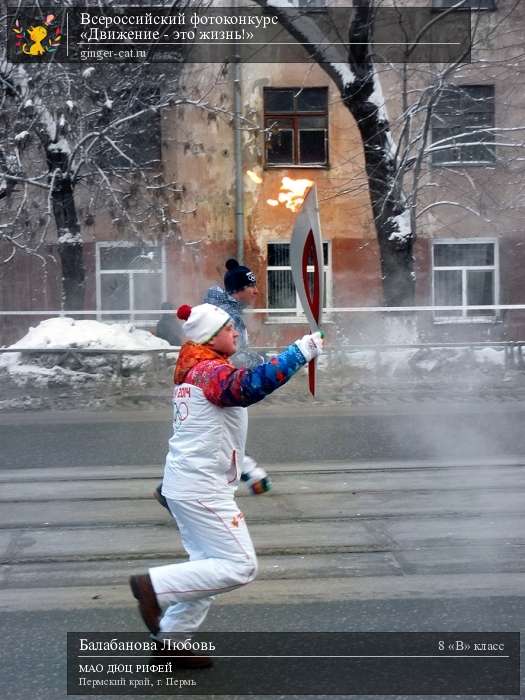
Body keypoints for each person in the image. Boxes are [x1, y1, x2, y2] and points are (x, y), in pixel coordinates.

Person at [130, 302, 323, 668]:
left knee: (206, 569)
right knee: (238, 566)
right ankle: (153, 587)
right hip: (202, 490)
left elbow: (236, 395)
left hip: (187, 484)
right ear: (210, 336)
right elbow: (249, 386)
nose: (235, 332)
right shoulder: (208, 372)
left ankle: (170, 642)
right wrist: (300, 351)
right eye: (229, 328)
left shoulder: (197, 368)